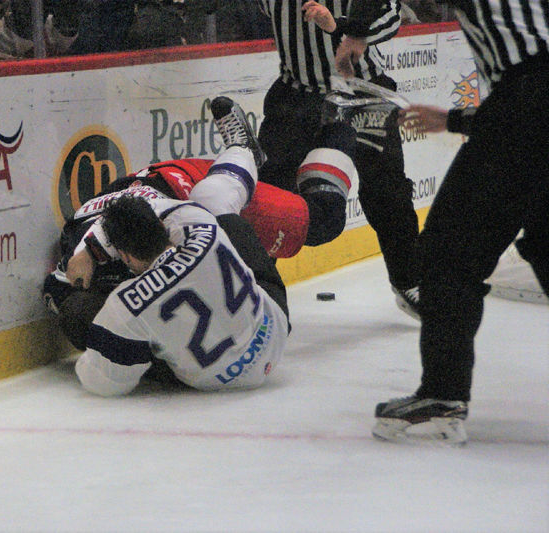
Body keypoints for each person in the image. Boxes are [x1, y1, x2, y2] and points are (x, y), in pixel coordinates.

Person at [335, 0, 549, 445]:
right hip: (529, 103)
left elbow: (531, 89)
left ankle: (443, 398)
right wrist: (460, 120)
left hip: (530, 99)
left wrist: (355, 30)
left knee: (448, 254)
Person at [44, 95, 361, 351]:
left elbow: (141, 207)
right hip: (144, 198)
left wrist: (91, 249)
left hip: (188, 184)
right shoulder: (85, 281)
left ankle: (336, 126)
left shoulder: (165, 226)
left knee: (324, 220)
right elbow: (57, 291)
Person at [70, 149, 291, 395]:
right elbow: (156, 207)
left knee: (77, 312)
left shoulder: (125, 304)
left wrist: (88, 252)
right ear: (162, 226)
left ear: (126, 255)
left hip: (216, 381)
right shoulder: (198, 222)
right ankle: (242, 150)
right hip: (275, 332)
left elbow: (103, 384)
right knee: (222, 212)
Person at [254, 0, 422, 320]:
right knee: (268, 194)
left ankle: (409, 280)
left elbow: (390, 14)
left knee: (387, 189)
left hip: (362, 92)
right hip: (297, 96)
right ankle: (253, 288)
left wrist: (354, 29)